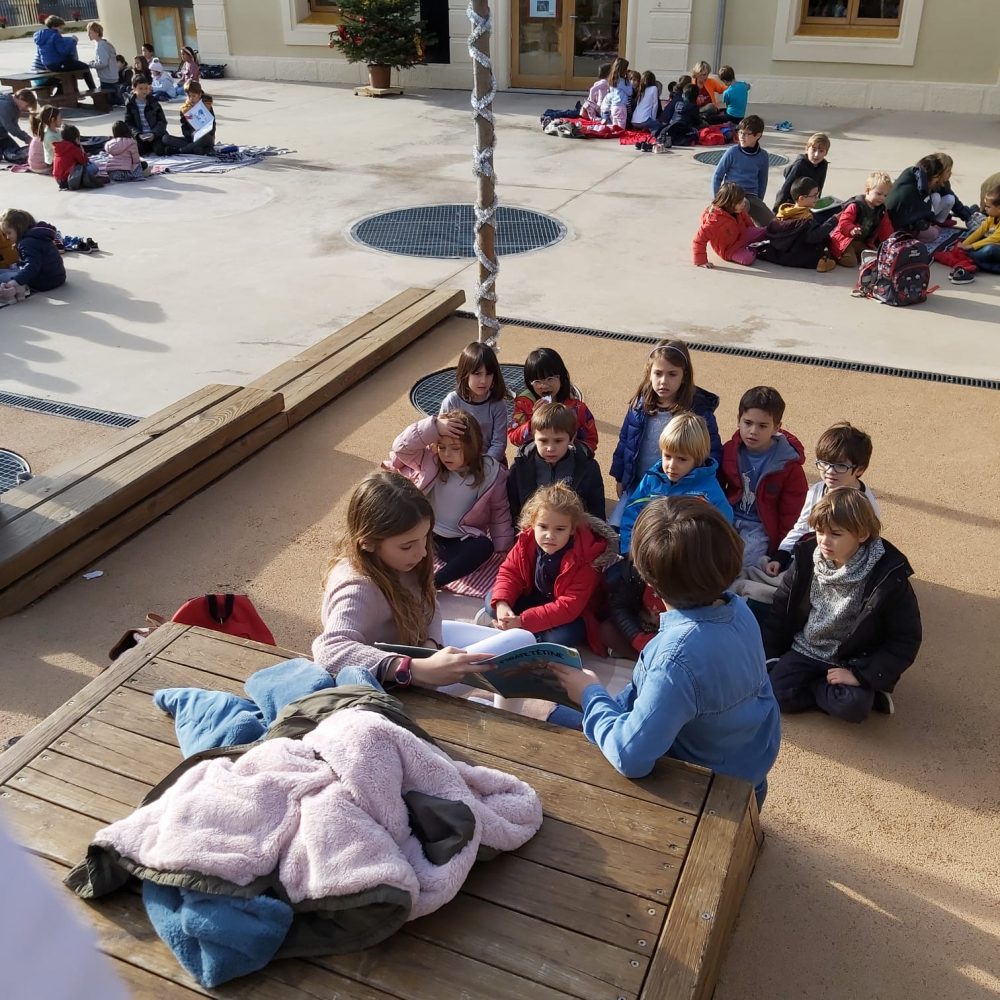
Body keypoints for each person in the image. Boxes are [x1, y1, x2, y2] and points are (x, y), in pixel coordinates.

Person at [549, 496, 781, 809]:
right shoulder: (738, 609)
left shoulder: (675, 658)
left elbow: (630, 757)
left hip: (706, 799)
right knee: (560, 714)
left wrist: (590, 693)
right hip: (749, 777)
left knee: (554, 731)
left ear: (647, 579)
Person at [311, 470, 486, 685]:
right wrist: (411, 668)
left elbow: (429, 604)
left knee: (517, 644)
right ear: (368, 542)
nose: (422, 552)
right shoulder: (357, 587)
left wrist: (431, 644)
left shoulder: (403, 561)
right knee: (506, 651)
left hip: (415, 648)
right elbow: (329, 650)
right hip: (389, 684)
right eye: (407, 546)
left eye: (425, 538)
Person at [762, 488, 921, 721]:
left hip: (852, 659)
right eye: (819, 531)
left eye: (835, 534)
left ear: (862, 534)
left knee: (853, 707)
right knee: (774, 693)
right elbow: (779, 612)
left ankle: (862, 690)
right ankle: (826, 688)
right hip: (806, 649)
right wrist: (772, 657)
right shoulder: (806, 558)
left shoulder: (888, 576)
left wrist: (862, 675)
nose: (824, 541)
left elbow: (906, 638)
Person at [384, 410, 514, 589]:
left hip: (456, 540)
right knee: (394, 533)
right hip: (424, 532)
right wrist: (435, 427)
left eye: (455, 448)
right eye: (442, 447)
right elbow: (401, 447)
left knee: (484, 547)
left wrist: (504, 546)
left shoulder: (491, 472)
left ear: (472, 447)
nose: (446, 454)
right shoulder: (431, 460)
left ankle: (432, 583)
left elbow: (500, 511)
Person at [483, 481, 616, 652]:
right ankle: (515, 628)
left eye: (560, 529)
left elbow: (569, 606)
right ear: (532, 524)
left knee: (559, 638)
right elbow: (510, 573)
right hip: (535, 598)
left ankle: (520, 636)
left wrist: (523, 621)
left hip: (574, 614)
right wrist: (503, 604)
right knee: (492, 601)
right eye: (543, 527)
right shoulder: (526, 541)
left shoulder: (586, 558)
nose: (549, 535)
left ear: (572, 529)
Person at [610, 339, 722, 508]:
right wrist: (620, 478)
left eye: (672, 374)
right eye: (658, 373)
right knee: (619, 523)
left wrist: (703, 490)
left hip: (679, 492)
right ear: (649, 373)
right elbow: (625, 442)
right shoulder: (638, 406)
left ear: (684, 376)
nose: (663, 381)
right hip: (640, 487)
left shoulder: (699, 413)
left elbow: (711, 454)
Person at [769, 421, 879, 575]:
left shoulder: (865, 504)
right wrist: (782, 554)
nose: (829, 471)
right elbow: (802, 526)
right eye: (824, 463)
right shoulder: (816, 490)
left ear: (859, 469)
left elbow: (868, 546)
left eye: (841, 466)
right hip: (814, 556)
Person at [717, 386, 807, 570]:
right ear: (738, 420)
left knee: (742, 564)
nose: (753, 431)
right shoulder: (729, 451)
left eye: (762, 426)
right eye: (747, 423)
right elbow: (715, 487)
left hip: (759, 527)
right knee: (705, 554)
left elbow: (792, 513)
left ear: (777, 427)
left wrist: (780, 551)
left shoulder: (788, 465)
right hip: (727, 516)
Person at [618, 412, 733, 554]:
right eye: (667, 456)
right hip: (649, 553)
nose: (672, 465)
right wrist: (629, 549)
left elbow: (724, 530)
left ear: (698, 459)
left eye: (682, 459)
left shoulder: (708, 492)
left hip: (687, 558)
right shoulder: (652, 479)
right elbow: (632, 513)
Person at [508, 402, 606, 525]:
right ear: (533, 437)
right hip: (530, 532)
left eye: (558, 441)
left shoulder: (588, 468)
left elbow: (597, 512)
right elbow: (512, 511)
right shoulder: (520, 467)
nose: (550, 448)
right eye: (543, 441)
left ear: (571, 438)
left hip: (575, 532)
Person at [508, 347, 598, 452]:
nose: (544, 385)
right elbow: (514, 438)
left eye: (550, 379)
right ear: (530, 383)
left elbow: (591, 441)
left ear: (561, 378)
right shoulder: (524, 404)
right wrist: (533, 421)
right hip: (535, 459)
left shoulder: (578, 409)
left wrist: (573, 451)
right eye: (537, 381)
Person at [438, 341, 509, 463]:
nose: (483, 380)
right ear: (465, 373)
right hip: (458, 461)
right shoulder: (452, 401)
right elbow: (440, 435)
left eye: (488, 374)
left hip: (490, 462)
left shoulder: (497, 404)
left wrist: (484, 466)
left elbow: (499, 444)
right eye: (477, 374)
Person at [755, 177, 839, 271]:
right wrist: (833, 221)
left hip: (780, 253)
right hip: (797, 256)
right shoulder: (805, 219)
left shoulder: (784, 212)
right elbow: (813, 237)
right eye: (814, 196)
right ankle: (821, 263)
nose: (817, 198)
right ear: (801, 198)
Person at [886, 153, 971, 243]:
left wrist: (967, 216)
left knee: (941, 198)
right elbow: (915, 214)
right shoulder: (919, 189)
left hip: (904, 220)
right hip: (898, 226)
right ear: (935, 175)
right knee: (933, 233)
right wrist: (926, 225)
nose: (950, 174)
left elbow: (952, 200)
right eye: (948, 171)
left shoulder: (916, 176)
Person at [711, 114, 773, 225]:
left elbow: (762, 182)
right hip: (732, 195)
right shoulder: (732, 152)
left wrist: (759, 203)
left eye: (746, 134)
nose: (741, 136)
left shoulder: (763, 156)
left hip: (751, 196)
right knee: (743, 205)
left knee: (773, 223)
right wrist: (718, 201)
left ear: (758, 135)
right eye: (740, 132)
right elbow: (717, 176)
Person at [828, 170, 895, 267]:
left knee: (875, 258)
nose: (882, 198)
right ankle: (832, 253)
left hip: (861, 242)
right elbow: (844, 222)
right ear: (867, 190)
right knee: (851, 262)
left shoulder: (881, 211)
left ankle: (855, 254)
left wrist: (892, 242)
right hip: (845, 240)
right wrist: (851, 229)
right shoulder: (856, 206)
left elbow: (886, 229)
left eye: (885, 195)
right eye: (879, 194)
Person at [692, 181, 766, 268]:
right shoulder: (715, 221)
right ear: (728, 203)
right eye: (740, 203)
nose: (743, 204)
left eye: (743, 201)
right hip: (729, 250)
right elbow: (699, 240)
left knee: (766, 231)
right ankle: (754, 248)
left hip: (742, 236)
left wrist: (755, 235)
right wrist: (701, 261)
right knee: (747, 259)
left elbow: (748, 223)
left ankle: (757, 244)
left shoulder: (738, 210)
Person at [0, 209, 66, 292]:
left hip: (44, 282)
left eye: (9, 233)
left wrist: (16, 281)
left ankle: (21, 289)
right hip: (56, 277)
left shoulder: (27, 243)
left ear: (19, 228)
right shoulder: (36, 235)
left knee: (2, 277)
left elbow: (32, 266)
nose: (7, 237)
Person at [32, 15, 96, 90]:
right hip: (59, 64)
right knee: (85, 67)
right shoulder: (55, 35)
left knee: (69, 71)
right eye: (61, 28)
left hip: (48, 65)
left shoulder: (41, 37)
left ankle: (68, 92)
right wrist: (73, 41)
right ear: (54, 27)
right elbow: (64, 51)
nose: (62, 31)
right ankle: (93, 89)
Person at [772, 133, 830, 212]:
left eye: (821, 151)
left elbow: (819, 187)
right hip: (792, 203)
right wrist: (776, 211)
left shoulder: (823, 165)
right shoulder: (800, 164)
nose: (816, 155)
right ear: (807, 149)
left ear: (825, 153)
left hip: (808, 203)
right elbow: (785, 189)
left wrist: (815, 205)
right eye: (813, 150)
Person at [162, 81, 216, 155]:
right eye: (189, 96)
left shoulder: (207, 105)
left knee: (206, 138)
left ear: (200, 95)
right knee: (165, 138)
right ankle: (196, 149)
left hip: (205, 138)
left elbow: (213, 126)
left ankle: (180, 150)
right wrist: (191, 134)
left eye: (194, 96)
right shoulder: (185, 108)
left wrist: (203, 132)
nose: (191, 99)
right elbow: (184, 128)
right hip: (191, 139)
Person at [51, 123, 109, 189]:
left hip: (58, 179)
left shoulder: (58, 147)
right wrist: (80, 146)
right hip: (69, 179)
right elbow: (84, 161)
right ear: (75, 138)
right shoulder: (73, 148)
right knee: (93, 167)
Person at [124, 75, 171, 155]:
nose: (144, 91)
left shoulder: (153, 102)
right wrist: (138, 134)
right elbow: (128, 123)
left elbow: (162, 122)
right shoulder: (130, 104)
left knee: (160, 150)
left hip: (155, 135)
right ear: (134, 88)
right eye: (140, 88)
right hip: (141, 136)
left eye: (146, 88)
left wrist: (154, 134)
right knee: (138, 151)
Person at [959, 186, 1000, 273]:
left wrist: (971, 246)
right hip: (995, 244)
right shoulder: (992, 217)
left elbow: (993, 239)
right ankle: (975, 259)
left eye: (988, 207)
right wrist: (965, 244)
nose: (985, 209)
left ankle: (969, 257)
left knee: (989, 249)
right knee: (974, 233)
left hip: (995, 247)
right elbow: (980, 231)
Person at [86, 21, 120, 106]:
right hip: (111, 76)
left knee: (111, 102)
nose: (88, 34)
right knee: (115, 100)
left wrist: (91, 65)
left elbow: (103, 63)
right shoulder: (104, 43)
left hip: (107, 78)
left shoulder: (101, 45)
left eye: (90, 32)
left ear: (97, 33)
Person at [0, 89, 36, 163]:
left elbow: (14, 126)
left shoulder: (16, 107)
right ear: (20, 98)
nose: (26, 108)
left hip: (2, 135)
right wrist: (26, 138)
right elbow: (10, 127)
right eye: (26, 105)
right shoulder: (5, 105)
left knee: (17, 154)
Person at [599, 58, 632, 128]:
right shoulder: (622, 81)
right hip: (621, 107)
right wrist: (628, 81)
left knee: (615, 127)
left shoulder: (613, 80)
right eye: (626, 68)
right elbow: (630, 92)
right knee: (621, 128)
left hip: (613, 107)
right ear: (623, 69)